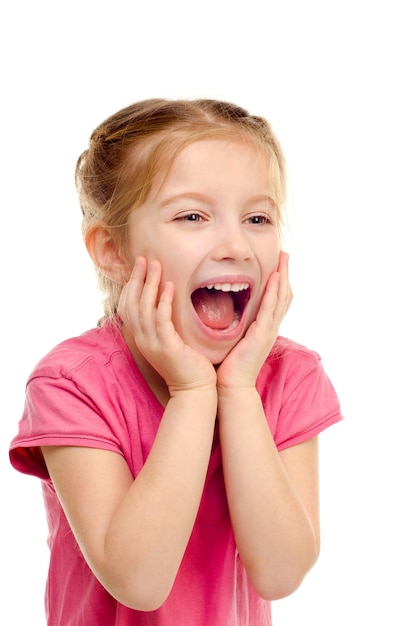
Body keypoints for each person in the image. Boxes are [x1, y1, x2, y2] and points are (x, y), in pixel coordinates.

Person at [9, 98, 343, 626]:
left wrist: (236, 391)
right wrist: (192, 393)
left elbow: (280, 573)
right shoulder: (72, 384)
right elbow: (138, 581)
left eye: (258, 217)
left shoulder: (289, 376)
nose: (235, 243)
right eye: (192, 216)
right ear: (112, 250)